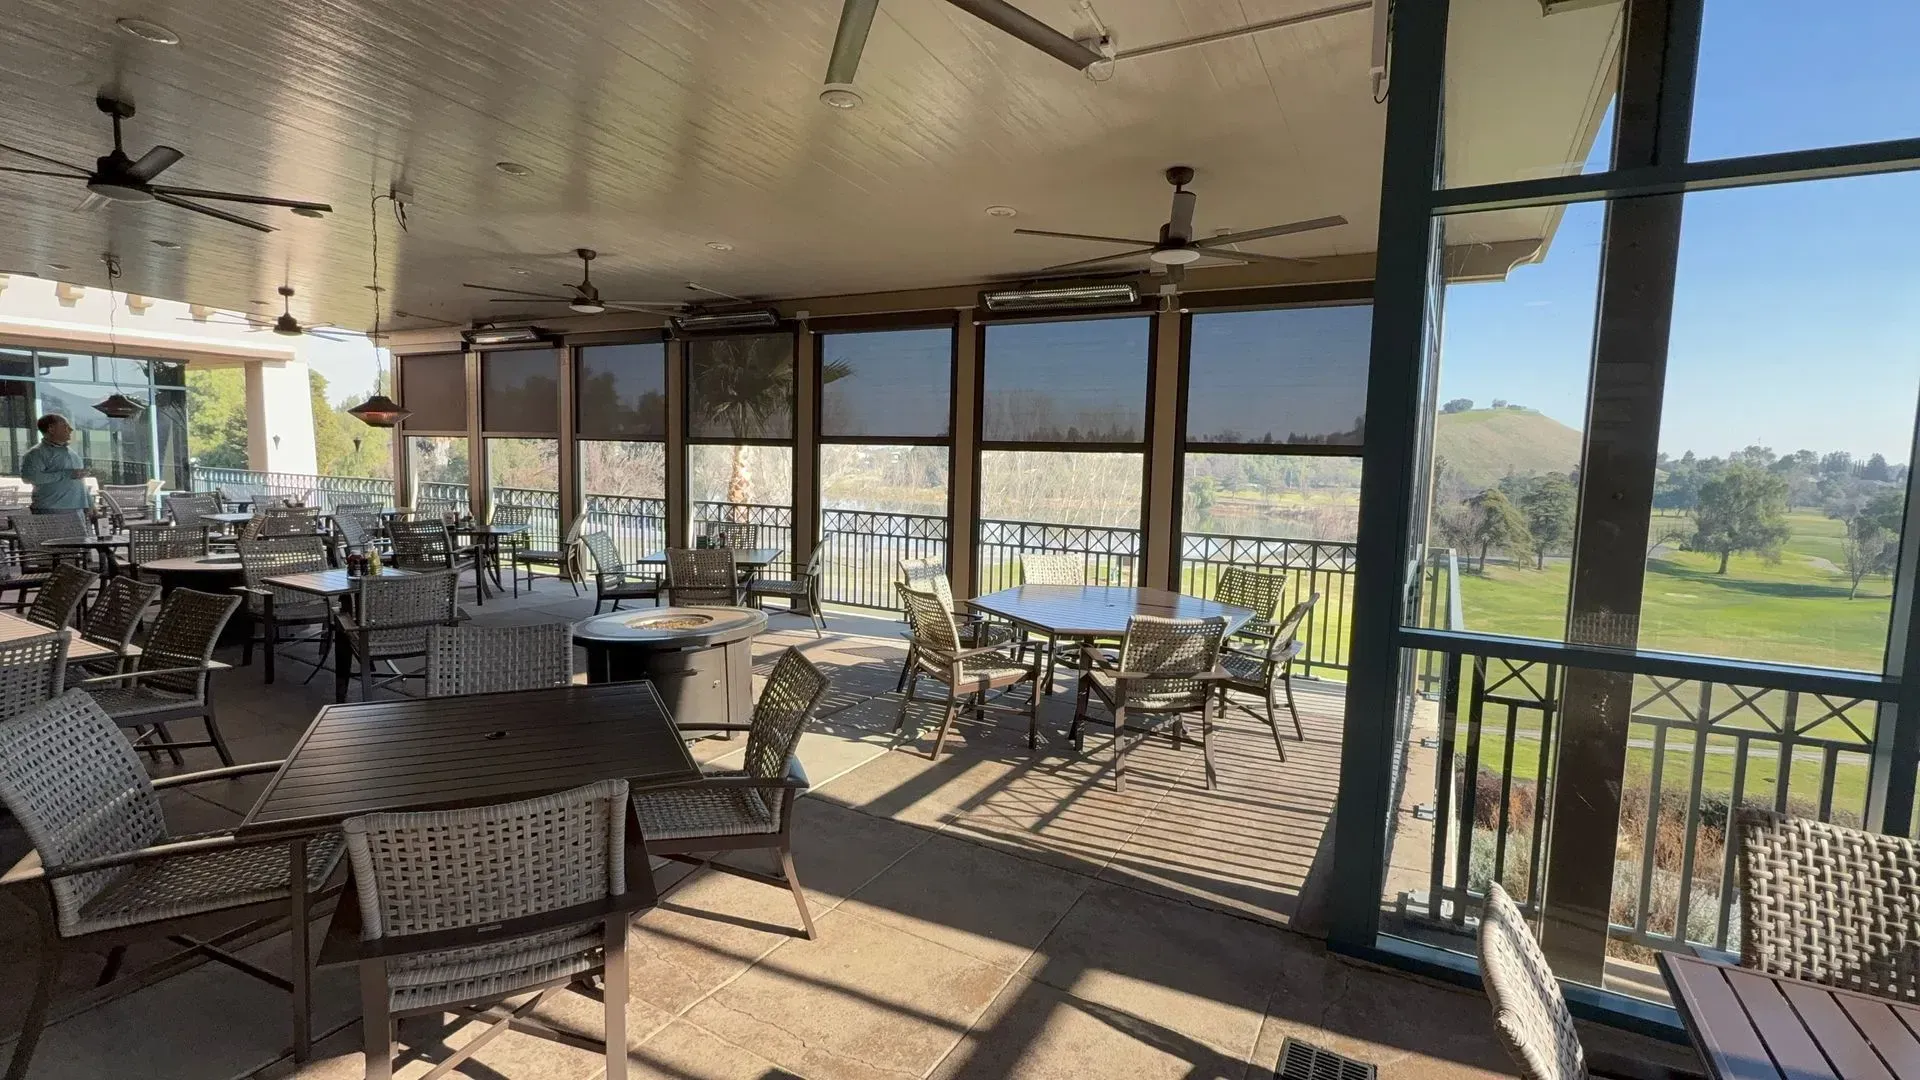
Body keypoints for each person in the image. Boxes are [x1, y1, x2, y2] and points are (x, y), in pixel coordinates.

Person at [19, 414, 92, 514]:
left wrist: (90, 504)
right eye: (65, 426)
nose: (70, 429)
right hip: (51, 509)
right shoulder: (36, 453)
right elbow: (30, 478)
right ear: (51, 429)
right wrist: (66, 474)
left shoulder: (71, 452)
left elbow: (80, 480)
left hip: (77, 508)